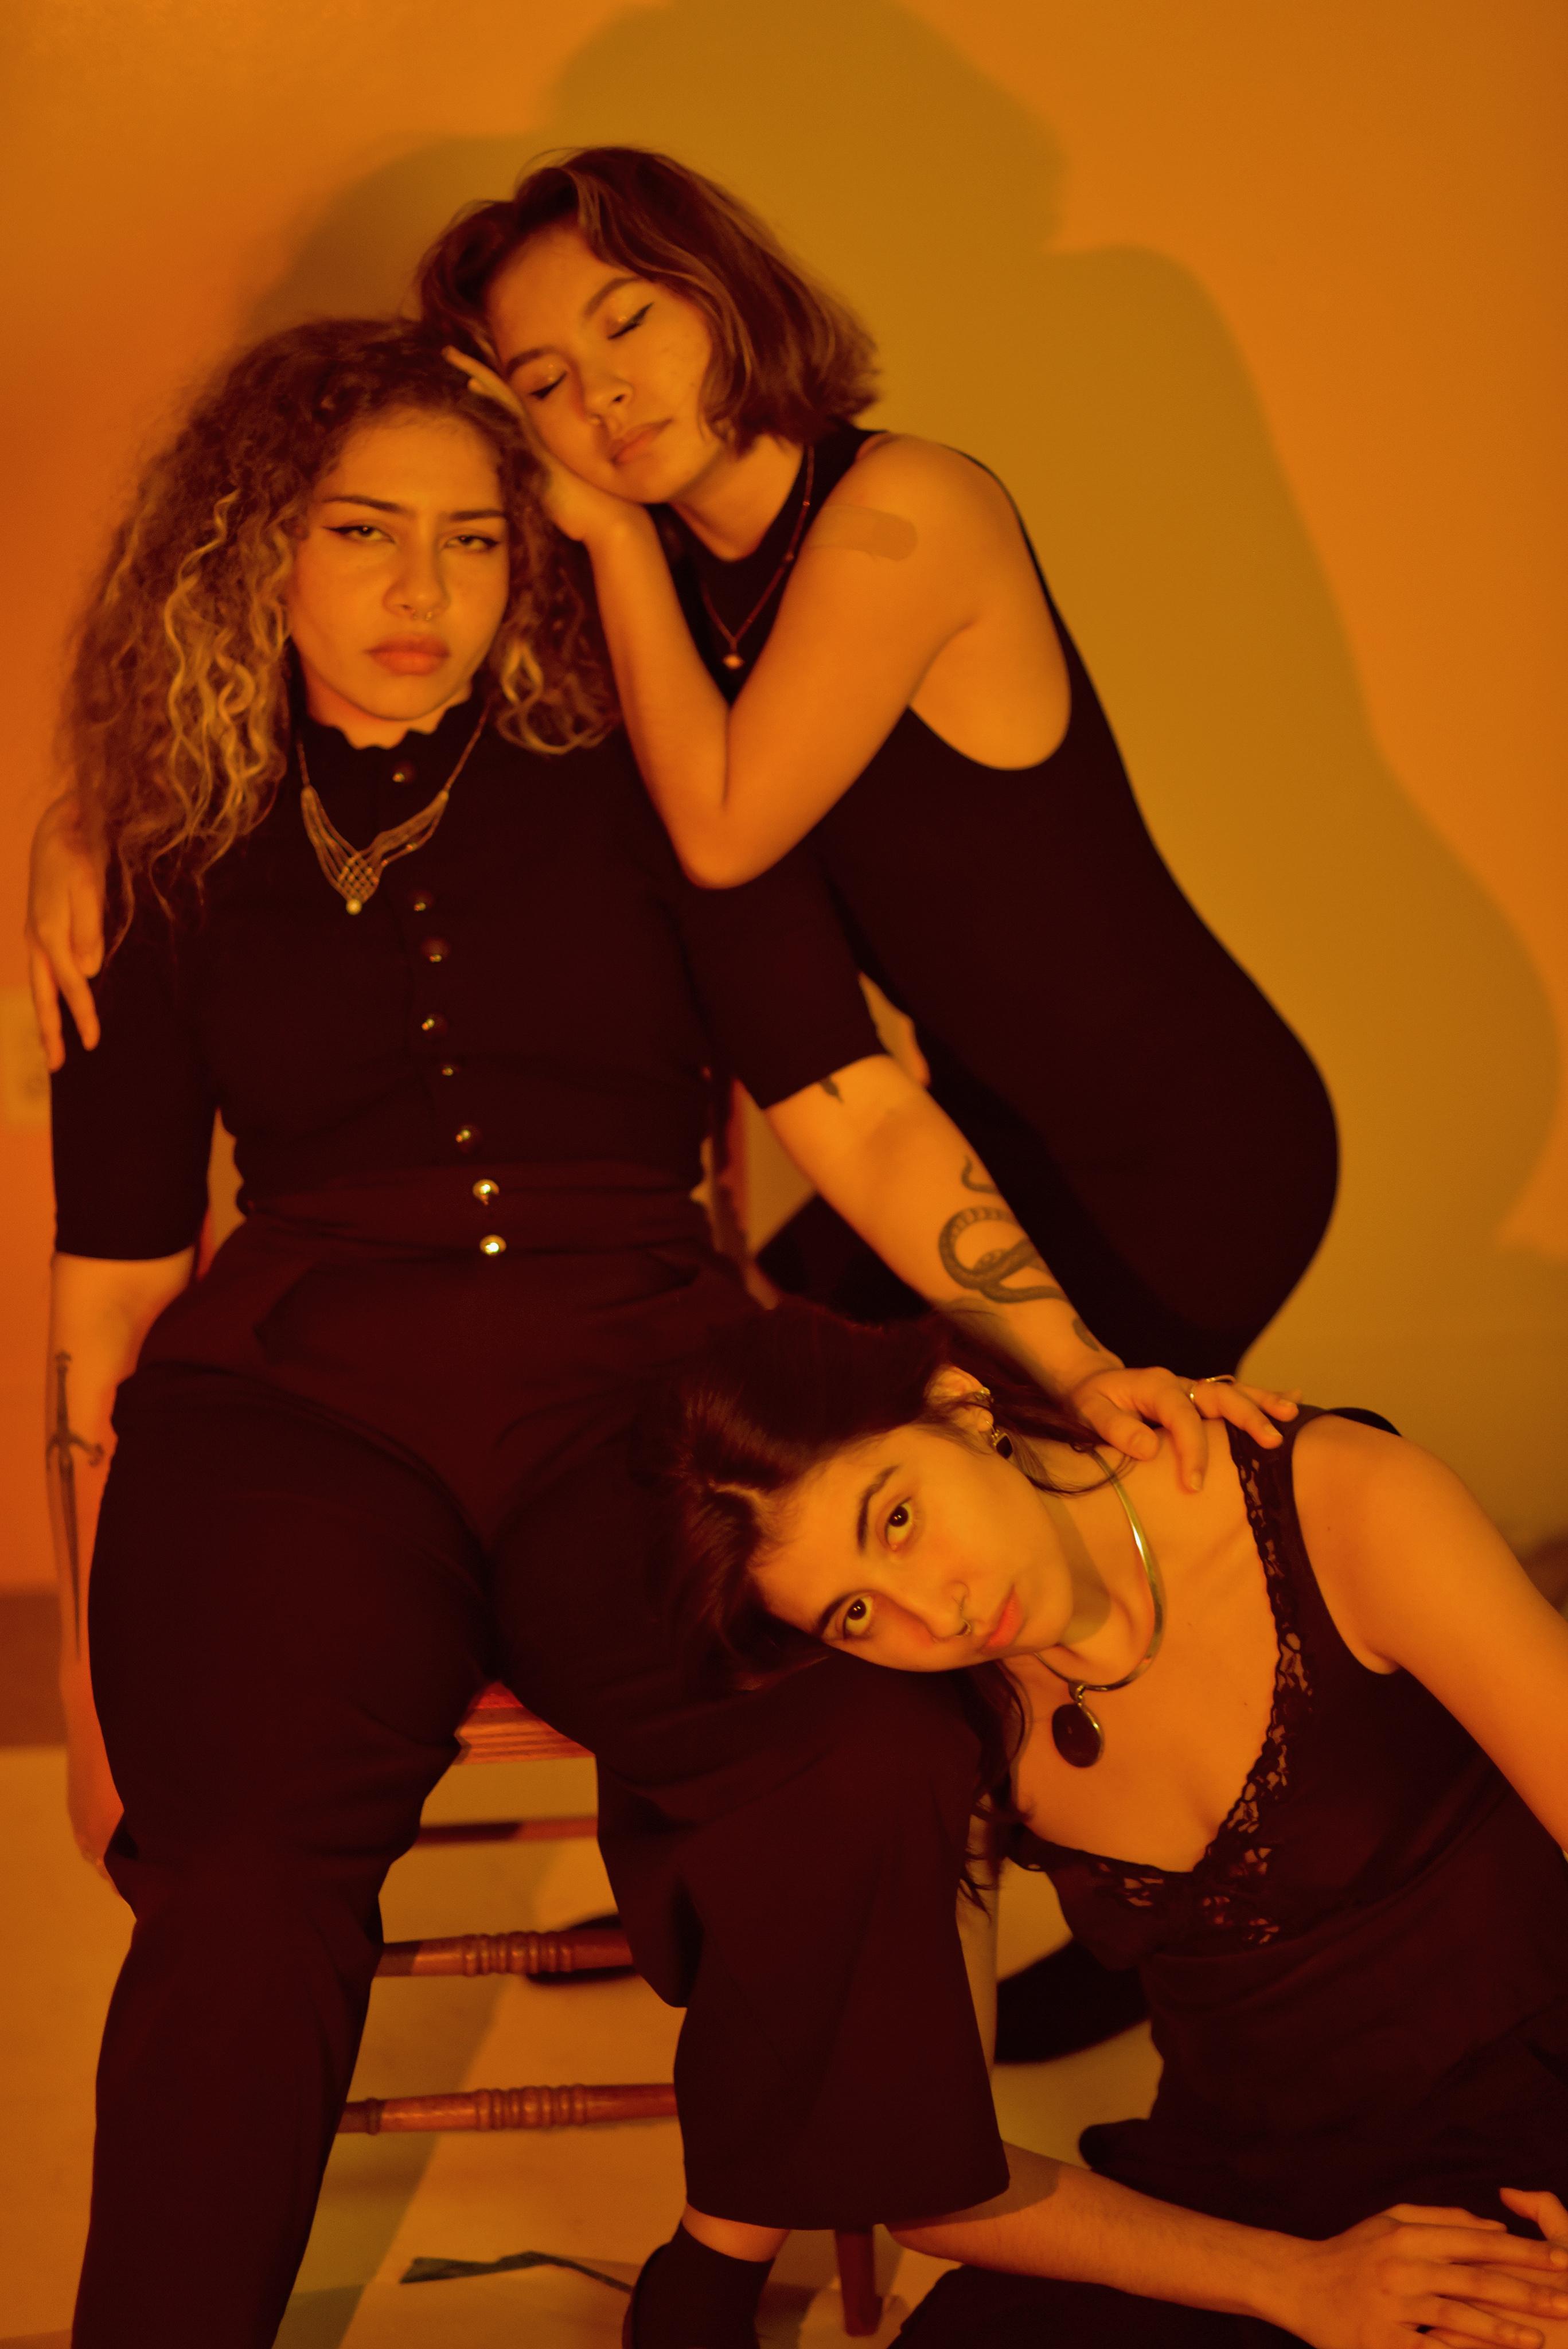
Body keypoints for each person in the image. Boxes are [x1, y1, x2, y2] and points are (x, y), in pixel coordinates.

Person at [41, 313, 1372, 2349]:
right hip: (297, 1410)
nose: (421, 593)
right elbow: (115, 1284)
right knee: (231, 1879)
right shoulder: (156, 838)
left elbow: (851, 1106)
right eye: (363, 531)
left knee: (861, 1748)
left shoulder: (641, 780)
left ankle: (727, 2237)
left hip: (640, 1392)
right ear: (253, 546)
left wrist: (1071, 1360)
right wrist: (85, 1670)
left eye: (474, 539)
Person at [656, 1296, 1568, 2346]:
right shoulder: (933, 1720)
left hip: (1530, 2128)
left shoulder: (1336, 1499)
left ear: (957, 1404)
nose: (938, 1614)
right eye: (855, 1613)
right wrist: (1294, 2284)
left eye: (896, 1520)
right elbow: (926, 2174)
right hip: (1246, 2189)